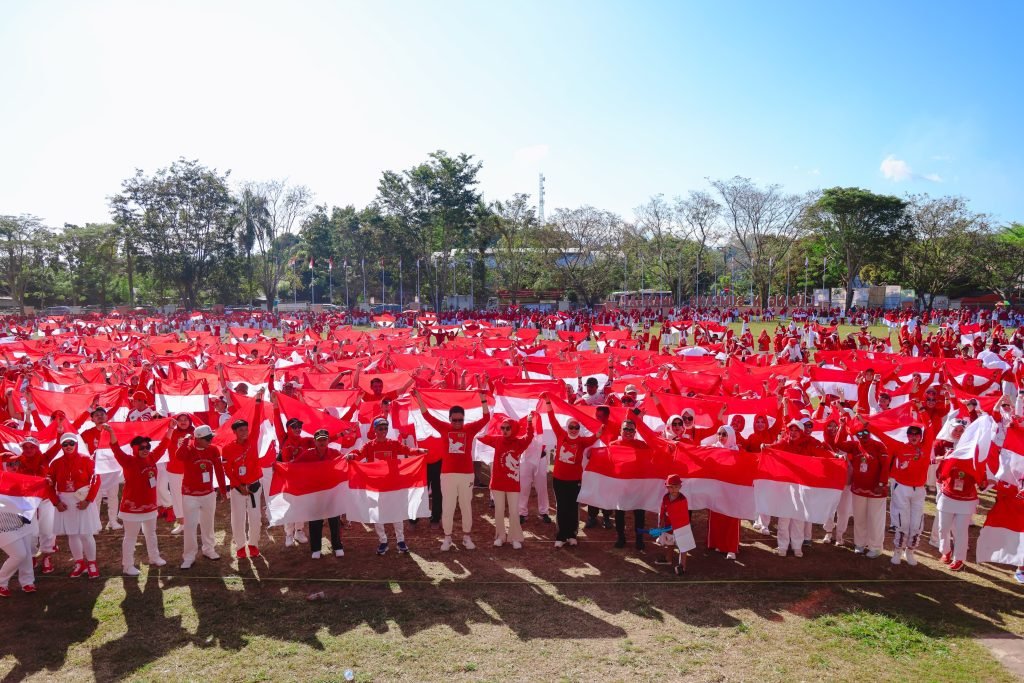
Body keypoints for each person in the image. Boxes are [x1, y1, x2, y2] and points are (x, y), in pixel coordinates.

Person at [413, 389, 489, 552]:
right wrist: (419, 397)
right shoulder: (444, 428)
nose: (457, 423)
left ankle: (466, 537)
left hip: (467, 474)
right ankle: (447, 538)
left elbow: (486, 418)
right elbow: (426, 416)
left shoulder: (469, 429)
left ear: (464, 419)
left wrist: (483, 399)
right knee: (448, 506)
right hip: (447, 474)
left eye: (460, 420)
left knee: (465, 506)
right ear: (449, 419)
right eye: (454, 420)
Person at [346, 417, 426, 554]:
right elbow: (358, 455)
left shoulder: (393, 444)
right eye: (380, 428)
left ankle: (401, 541)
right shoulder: (369, 446)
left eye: (385, 428)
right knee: (377, 514)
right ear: (375, 430)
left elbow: (407, 450)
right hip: (376, 486)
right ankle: (383, 541)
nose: (383, 431)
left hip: (393, 485)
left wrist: (419, 451)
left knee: (397, 512)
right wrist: (351, 456)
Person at [109, 426, 169, 575]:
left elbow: (163, 446)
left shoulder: (152, 458)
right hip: (132, 508)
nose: (145, 449)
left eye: (147, 447)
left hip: (150, 506)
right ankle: (127, 565)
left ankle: (154, 557)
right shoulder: (128, 461)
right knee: (130, 537)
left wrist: (171, 429)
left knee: (151, 533)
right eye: (141, 447)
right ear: (135, 449)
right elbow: (115, 448)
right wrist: (111, 432)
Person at [546, 395, 604, 547]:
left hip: (575, 480)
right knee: (561, 507)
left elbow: (596, 436)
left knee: (572, 507)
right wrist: (547, 402)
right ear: (567, 427)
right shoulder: (561, 434)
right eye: (571, 427)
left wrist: (603, 426)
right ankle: (560, 536)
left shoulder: (582, 441)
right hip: (559, 478)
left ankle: (572, 534)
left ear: (579, 428)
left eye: (576, 427)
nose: (573, 430)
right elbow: (552, 419)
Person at [48, 433, 101, 578]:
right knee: (72, 534)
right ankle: (79, 563)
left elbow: (96, 480)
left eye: (71, 443)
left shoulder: (86, 460)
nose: (68, 446)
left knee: (85, 533)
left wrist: (88, 500)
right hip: (64, 501)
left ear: (76, 444)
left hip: (83, 500)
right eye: (65, 444)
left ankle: (91, 563)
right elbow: (48, 485)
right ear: (61, 446)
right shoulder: (56, 463)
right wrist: (56, 502)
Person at [478, 416, 535, 549]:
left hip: (512, 483)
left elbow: (530, 436)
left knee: (514, 512)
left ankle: (514, 537)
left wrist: (530, 422)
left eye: (508, 428)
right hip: (497, 482)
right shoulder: (497, 439)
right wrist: (480, 422)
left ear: (513, 429)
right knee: (498, 511)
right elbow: (482, 437)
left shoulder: (519, 443)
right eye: (502, 428)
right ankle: (500, 536)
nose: (504, 430)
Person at [221, 390, 266, 559]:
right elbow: (227, 470)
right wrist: (239, 485)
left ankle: (253, 544)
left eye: (246, 429)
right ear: (235, 431)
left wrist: (258, 401)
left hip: (254, 485)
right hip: (238, 488)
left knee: (255, 517)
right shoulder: (228, 448)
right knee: (238, 518)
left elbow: (256, 421)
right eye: (241, 430)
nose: (245, 432)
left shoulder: (252, 439)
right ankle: (240, 546)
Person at [177, 424, 226, 570]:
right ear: (197, 439)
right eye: (207, 438)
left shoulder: (213, 450)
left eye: (211, 438)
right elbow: (178, 456)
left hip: (208, 493)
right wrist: (186, 440)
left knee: (208, 523)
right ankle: (189, 556)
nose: (210, 441)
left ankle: (208, 549)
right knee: (190, 526)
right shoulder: (189, 449)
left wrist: (223, 490)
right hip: (190, 495)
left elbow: (219, 470)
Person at [295, 429, 345, 559]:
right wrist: (279, 466)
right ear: (315, 442)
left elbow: (344, 463)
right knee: (315, 520)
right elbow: (293, 466)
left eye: (324, 439)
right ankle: (316, 548)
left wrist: (350, 459)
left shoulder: (335, 453)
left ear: (328, 441)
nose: (322, 442)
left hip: (332, 492)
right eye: (319, 440)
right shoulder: (307, 454)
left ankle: (337, 546)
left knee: (334, 520)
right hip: (315, 493)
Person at [935, 452, 983, 572]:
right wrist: (946, 460)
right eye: (956, 431)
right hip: (948, 497)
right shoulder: (951, 455)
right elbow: (940, 475)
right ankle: (946, 551)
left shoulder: (976, 458)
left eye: (962, 431)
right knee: (943, 528)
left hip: (966, 501)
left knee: (961, 530)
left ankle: (959, 559)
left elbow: (982, 481)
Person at [701, 425, 741, 560]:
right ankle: (718, 543)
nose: (721, 437)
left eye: (724, 434)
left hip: (732, 490)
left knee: (731, 518)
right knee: (717, 517)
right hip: (717, 489)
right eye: (719, 434)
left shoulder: (737, 451)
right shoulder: (713, 448)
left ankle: (731, 548)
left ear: (730, 435)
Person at [655, 474, 695, 576]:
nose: (673, 489)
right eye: (671, 487)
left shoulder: (682, 499)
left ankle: (682, 566)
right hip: (668, 525)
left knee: (683, 545)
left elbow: (683, 514)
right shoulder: (665, 497)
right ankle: (668, 559)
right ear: (667, 487)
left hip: (681, 526)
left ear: (680, 487)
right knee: (669, 542)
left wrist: (676, 520)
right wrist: (661, 522)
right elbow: (662, 510)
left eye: (676, 487)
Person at [0, 510, 36, 596]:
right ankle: (1, 582)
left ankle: (27, 581)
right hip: (3, 524)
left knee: (27, 553)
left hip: (22, 521)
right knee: (19, 554)